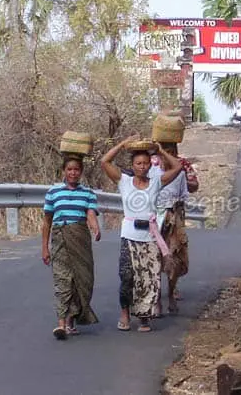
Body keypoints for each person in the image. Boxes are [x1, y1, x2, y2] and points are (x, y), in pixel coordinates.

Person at [100, 138, 182, 333]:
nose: (142, 167)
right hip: (129, 237)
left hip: (150, 238)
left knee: (149, 278)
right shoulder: (124, 181)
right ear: (132, 165)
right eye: (138, 163)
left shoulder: (156, 182)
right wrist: (122, 144)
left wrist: (161, 150)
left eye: (146, 163)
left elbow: (178, 167)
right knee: (127, 276)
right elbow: (104, 162)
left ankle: (144, 316)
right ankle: (125, 313)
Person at [42, 154, 102, 341]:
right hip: (60, 238)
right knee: (62, 280)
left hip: (80, 238)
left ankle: (71, 320)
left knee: (81, 279)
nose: (73, 173)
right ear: (63, 171)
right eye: (69, 169)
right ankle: (61, 324)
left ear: (81, 172)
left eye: (76, 170)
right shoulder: (54, 192)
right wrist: (44, 247)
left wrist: (95, 227)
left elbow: (90, 213)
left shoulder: (88, 193)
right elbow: (47, 221)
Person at [148, 141, 194, 316]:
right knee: (156, 258)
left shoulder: (180, 173)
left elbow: (183, 197)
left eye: (171, 152)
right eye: (164, 151)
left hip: (173, 220)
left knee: (175, 258)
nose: (167, 154)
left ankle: (171, 293)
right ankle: (157, 298)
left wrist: (178, 220)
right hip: (154, 220)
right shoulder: (151, 170)